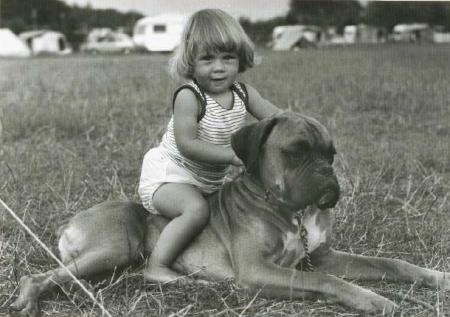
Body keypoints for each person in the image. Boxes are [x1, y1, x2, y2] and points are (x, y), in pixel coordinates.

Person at [138, 8, 281, 283]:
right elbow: (188, 145)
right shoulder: (190, 97)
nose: (218, 67)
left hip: (207, 181)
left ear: (241, 59)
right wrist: (233, 156)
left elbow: (277, 118)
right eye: (207, 58)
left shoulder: (244, 93)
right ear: (191, 62)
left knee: (223, 214)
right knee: (196, 211)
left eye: (228, 58)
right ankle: (157, 267)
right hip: (170, 177)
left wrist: (300, 126)